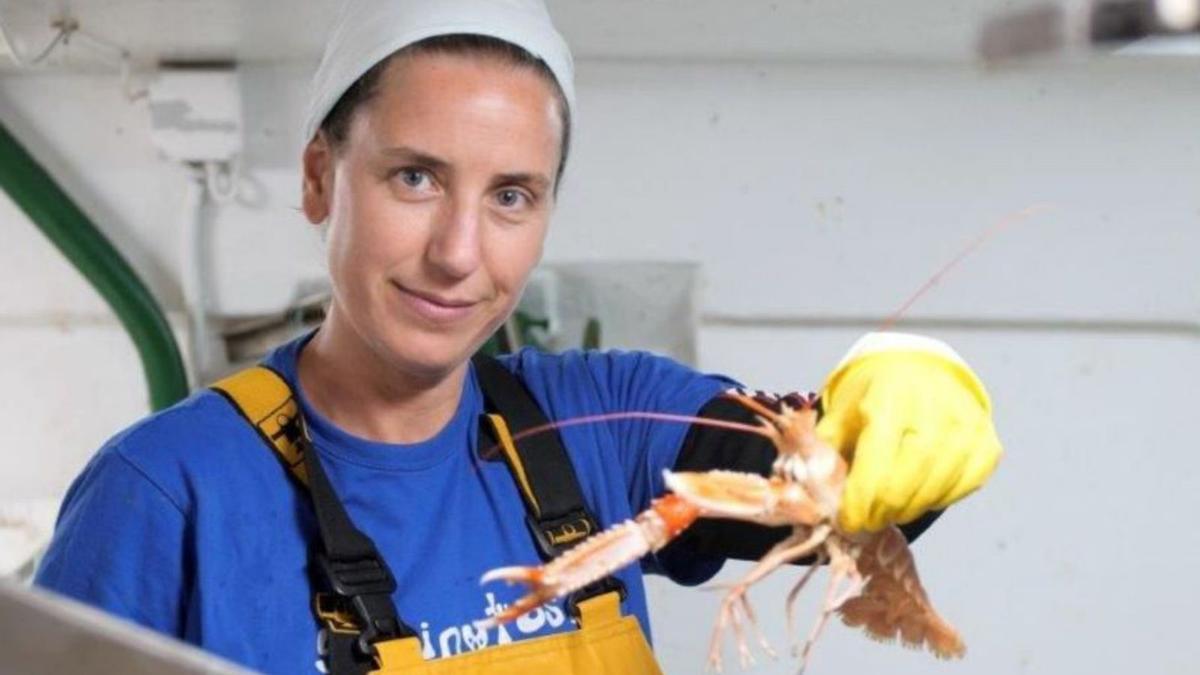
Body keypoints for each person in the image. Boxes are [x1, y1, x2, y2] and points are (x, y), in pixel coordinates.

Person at [34, 1, 1002, 673]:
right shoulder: (168, 492)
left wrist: (912, 386)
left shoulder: (599, 426)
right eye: (414, 178)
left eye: (510, 196)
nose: (459, 253)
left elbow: (837, 496)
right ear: (321, 179)